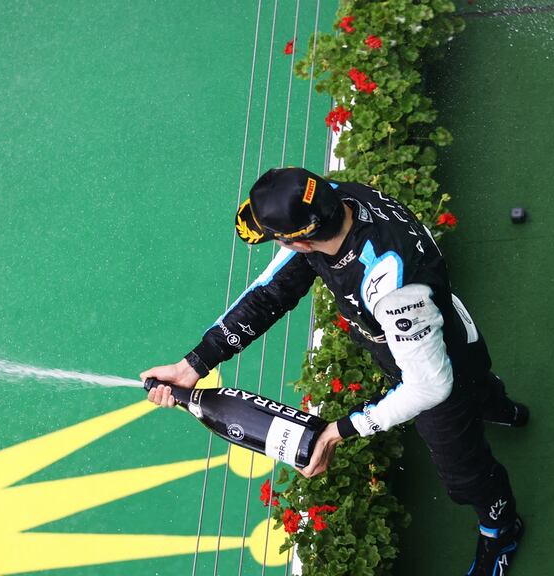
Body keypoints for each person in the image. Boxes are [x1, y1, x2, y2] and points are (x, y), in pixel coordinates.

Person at [141, 167, 528, 575]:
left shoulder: (391, 286)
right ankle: (501, 407)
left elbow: (431, 385)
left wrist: (339, 430)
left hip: (438, 371)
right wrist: (195, 363)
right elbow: (270, 293)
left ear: (302, 240)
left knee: (464, 473)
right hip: (447, 329)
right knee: (477, 385)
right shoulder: (334, 199)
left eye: (281, 241)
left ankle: (502, 528)